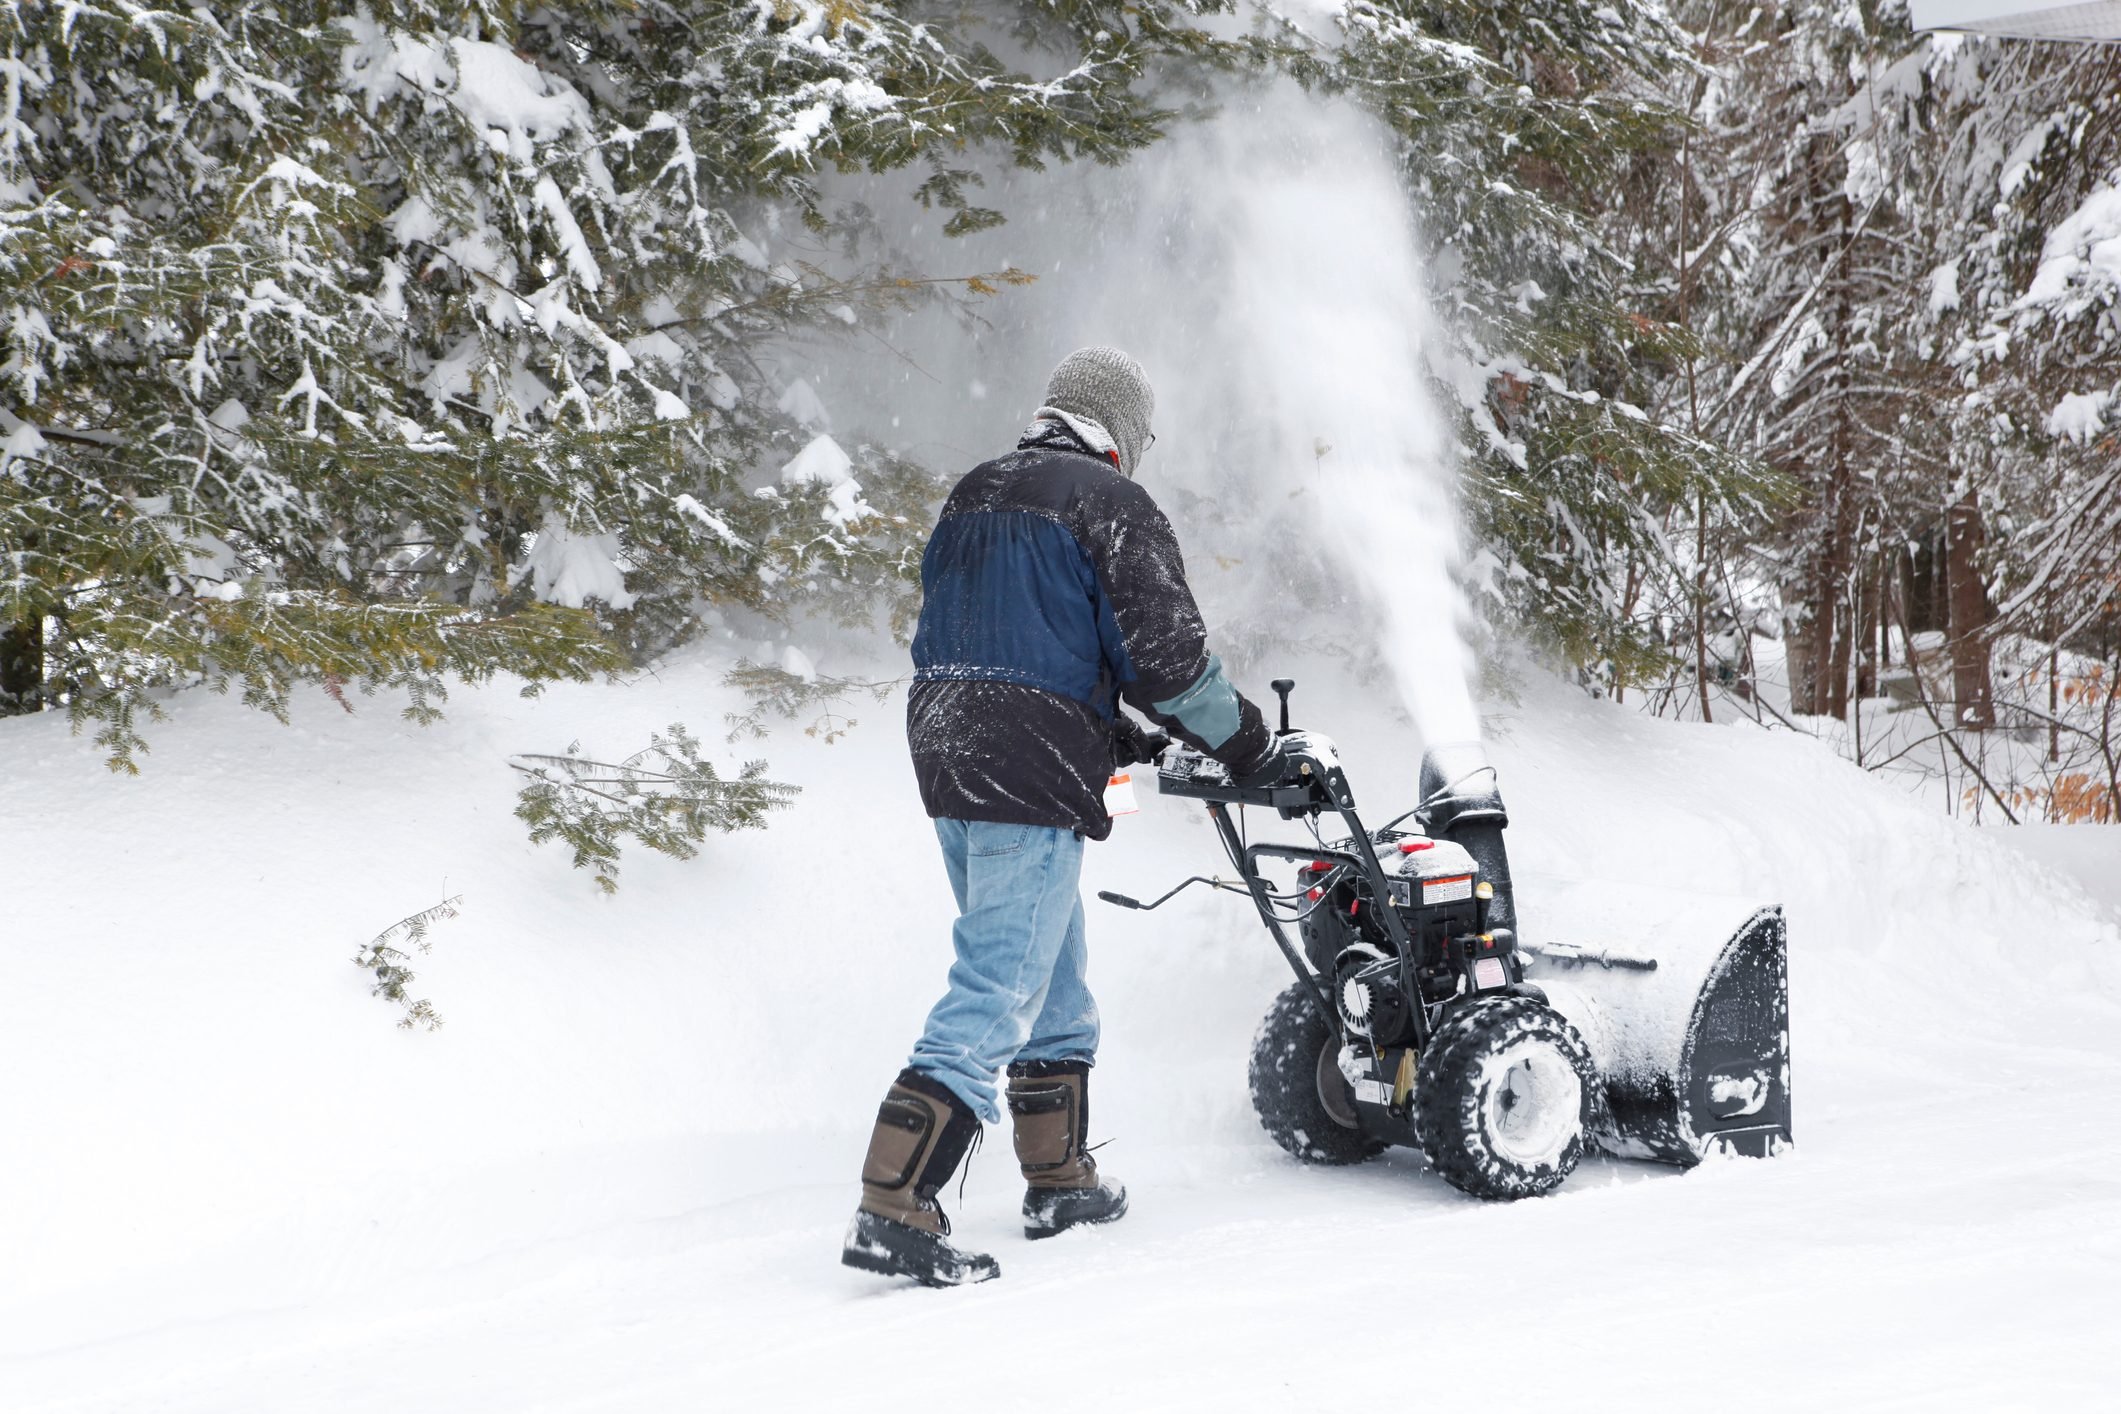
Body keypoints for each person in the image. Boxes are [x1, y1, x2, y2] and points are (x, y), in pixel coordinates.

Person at [841, 346, 1293, 1287]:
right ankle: (894, 1202)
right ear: (1124, 433)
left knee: (1050, 964)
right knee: (1002, 976)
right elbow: (1168, 662)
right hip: (1021, 756)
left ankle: (1058, 1178)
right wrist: (1244, 742)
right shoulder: (1109, 502)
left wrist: (1112, 734)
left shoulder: (979, 488)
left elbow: (1013, 639)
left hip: (946, 736)